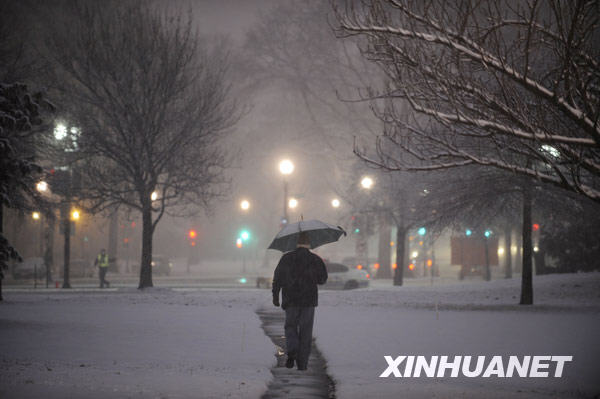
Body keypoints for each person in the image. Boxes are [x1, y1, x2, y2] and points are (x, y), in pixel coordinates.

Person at [272, 231, 328, 371]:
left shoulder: (286, 258)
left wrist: (275, 296)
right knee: (306, 331)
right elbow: (322, 280)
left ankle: (292, 351)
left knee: (290, 327)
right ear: (309, 244)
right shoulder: (315, 259)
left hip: (290, 300)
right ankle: (302, 364)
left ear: (296, 243)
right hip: (308, 301)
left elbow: (277, 278)